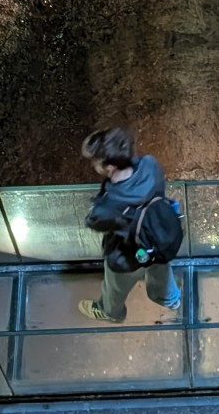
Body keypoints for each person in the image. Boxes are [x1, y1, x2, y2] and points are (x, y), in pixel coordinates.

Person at [77, 128, 181, 323]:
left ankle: (110, 312)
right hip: (159, 237)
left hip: (128, 257)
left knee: (114, 288)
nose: (94, 165)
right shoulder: (150, 165)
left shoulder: (109, 206)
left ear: (110, 167)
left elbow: (93, 221)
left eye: (96, 162)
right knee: (161, 273)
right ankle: (172, 300)